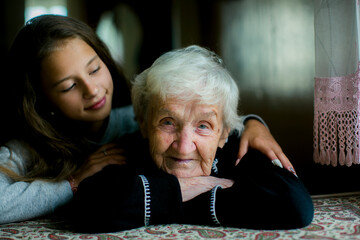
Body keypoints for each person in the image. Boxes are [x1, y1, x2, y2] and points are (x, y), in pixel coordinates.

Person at [0, 15, 295, 224]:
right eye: (68, 86)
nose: (92, 90)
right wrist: (72, 183)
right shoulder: (29, 147)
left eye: (93, 70)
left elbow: (208, 117)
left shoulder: (133, 114)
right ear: (41, 99)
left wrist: (254, 123)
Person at [68, 45, 313, 233]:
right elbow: (84, 209)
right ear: (143, 123)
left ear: (224, 132)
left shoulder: (238, 149)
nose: (184, 146)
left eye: (203, 126)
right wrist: (188, 188)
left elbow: (295, 206)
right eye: (167, 122)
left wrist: (159, 202)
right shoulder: (127, 152)